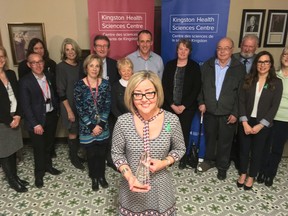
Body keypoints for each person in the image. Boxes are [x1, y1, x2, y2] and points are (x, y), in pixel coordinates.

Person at [111, 71, 185, 215]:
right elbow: (117, 153)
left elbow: (180, 148)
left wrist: (164, 163)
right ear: (131, 96)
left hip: (161, 189)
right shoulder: (123, 122)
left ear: (157, 93)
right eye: (137, 94)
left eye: (149, 93)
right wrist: (129, 176)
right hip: (132, 188)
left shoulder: (171, 121)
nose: (144, 99)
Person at [197, 37, 246, 180]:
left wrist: (236, 113)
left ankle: (222, 166)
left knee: (226, 141)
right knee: (210, 138)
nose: (222, 51)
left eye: (226, 48)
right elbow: (200, 88)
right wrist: (201, 102)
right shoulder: (207, 65)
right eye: (219, 48)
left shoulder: (239, 68)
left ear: (232, 50)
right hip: (209, 111)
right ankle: (209, 161)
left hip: (228, 113)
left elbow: (241, 94)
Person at [237, 51, 283, 190]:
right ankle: (243, 173)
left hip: (262, 124)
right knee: (244, 150)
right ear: (256, 64)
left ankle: (251, 176)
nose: (263, 65)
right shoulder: (247, 79)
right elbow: (241, 101)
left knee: (258, 152)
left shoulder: (276, 82)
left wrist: (261, 125)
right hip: (246, 120)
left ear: (271, 64)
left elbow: (274, 107)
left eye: (266, 62)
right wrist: (244, 122)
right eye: (260, 62)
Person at [19, 52, 61, 188]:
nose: (38, 65)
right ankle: (39, 174)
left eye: (40, 61)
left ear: (44, 62)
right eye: (34, 62)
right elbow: (25, 106)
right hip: (36, 121)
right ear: (28, 65)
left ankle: (48, 166)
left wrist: (57, 111)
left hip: (50, 116)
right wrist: (35, 124)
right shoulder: (25, 82)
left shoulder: (49, 76)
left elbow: (53, 94)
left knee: (49, 145)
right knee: (39, 148)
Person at [162, 38, 202, 169]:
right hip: (169, 108)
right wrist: (172, 104)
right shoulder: (169, 65)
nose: (183, 52)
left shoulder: (194, 66)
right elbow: (165, 86)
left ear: (189, 51)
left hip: (187, 109)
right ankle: (168, 157)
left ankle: (182, 157)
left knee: (183, 133)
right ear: (177, 50)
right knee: (168, 132)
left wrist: (183, 106)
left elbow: (196, 88)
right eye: (180, 48)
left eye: (186, 49)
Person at [74, 54, 111, 191]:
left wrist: (100, 124)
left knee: (101, 153)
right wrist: (91, 126)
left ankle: (101, 176)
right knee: (91, 154)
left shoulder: (105, 84)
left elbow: (107, 105)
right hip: (87, 127)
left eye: (97, 66)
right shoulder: (79, 85)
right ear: (86, 67)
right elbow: (79, 108)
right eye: (91, 65)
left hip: (102, 126)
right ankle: (94, 177)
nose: (94, 69)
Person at [257, 47, 288, 187]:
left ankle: (270, 174)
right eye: (285, 54)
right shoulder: (273, 75)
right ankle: (261, 171)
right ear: (281, 57)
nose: (287, 57)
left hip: (284, 119)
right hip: (268, 116)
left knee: (276, 148)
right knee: (264, 146)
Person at [0, 46, 28, 192]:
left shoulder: (10, 74)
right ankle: (11, 180)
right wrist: (9, 120)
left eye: (2, 56)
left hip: (14, 117)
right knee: (5, 152)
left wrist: (17, 115)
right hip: (2, 122)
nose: (1, 60)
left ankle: (15, 177)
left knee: (13, 150)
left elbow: (17, 95)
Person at [56, 38, 85, 170]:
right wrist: (69, 111)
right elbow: (60, 91)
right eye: (67, 50)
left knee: (80, 130)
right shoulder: (61, 67)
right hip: (69, 105)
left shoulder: (81, 65)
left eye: (72, 49)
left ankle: (77, 155)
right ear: (64, 52)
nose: (70, 52)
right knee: (73, 131)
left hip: (81, 104)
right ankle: (73, 158)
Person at [92, 35, 120, 170]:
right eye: (99, 45)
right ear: (94, 48)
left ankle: (110, 159)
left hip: (111, 107)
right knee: (95, 133)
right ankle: (97, 161)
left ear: (108, 48)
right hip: (93, 107)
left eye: (105, 46)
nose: (102, 48)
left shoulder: (115, 64)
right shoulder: (88, 64)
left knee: (112, 133)